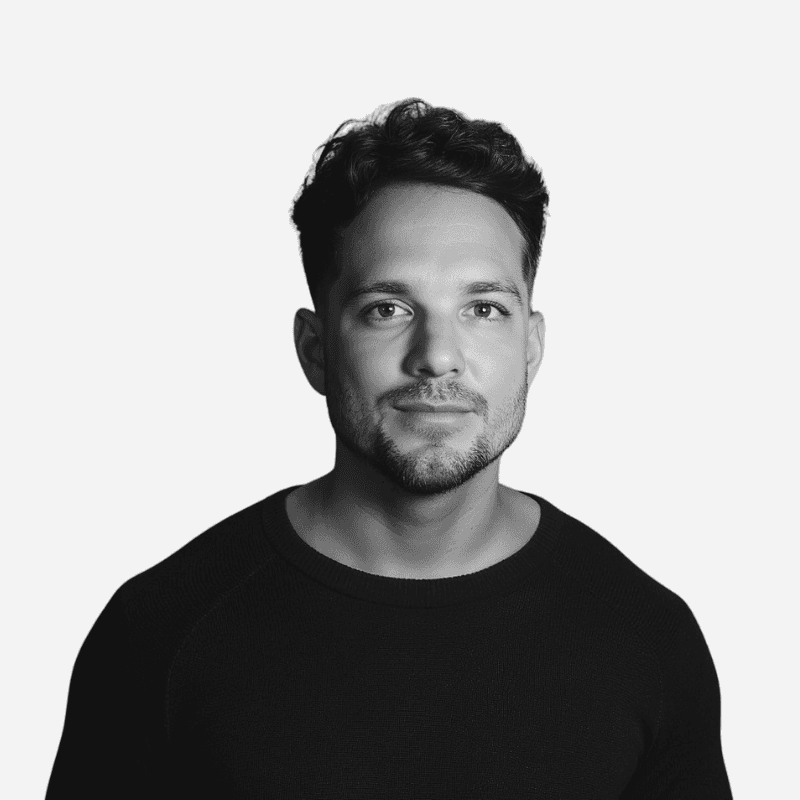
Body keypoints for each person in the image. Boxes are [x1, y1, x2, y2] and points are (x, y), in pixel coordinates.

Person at [45, 99, 733, 798]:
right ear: (316, 349)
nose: (437, 357)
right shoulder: (159, 634)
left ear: (530, 347)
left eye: (484, 308)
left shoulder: (646, 639)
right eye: (388, 310)